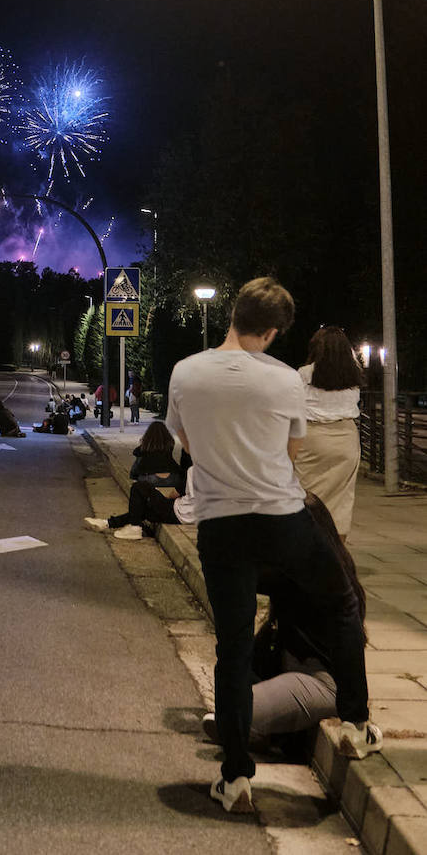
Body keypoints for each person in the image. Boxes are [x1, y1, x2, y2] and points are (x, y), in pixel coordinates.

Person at [165, 276, 380, 815]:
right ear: (273, 330)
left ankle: (236, 777)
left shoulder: (185, 373)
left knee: (232, 648)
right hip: (283, 520)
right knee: (341, 603)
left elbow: (185, 442)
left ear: (235, 313)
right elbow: (292, 448)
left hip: (222, 526)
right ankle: (356, 721)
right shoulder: (284, 380)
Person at [203, 493, 367, 755]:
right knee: (228, 688)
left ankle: (258, 729)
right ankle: (265, 728)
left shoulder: (330, 581)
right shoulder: (292, 568)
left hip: (322, 683)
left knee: (232, 715)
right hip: (286, 666)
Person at [293, 326, 362, 539]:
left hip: (312, 437)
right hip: (346, 437)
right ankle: (337, 552)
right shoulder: (354, 374)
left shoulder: (303, 374)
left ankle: (309, 549)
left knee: (308, 494)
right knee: (342, 499)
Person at [84, 420, 186, 536]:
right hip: (172, 478)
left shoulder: (194, 474)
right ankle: (107, 523)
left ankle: (128, 526)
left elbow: (175, 493)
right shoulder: (170, 444)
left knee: (137, 487)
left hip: (157, 485)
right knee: (140, 509)